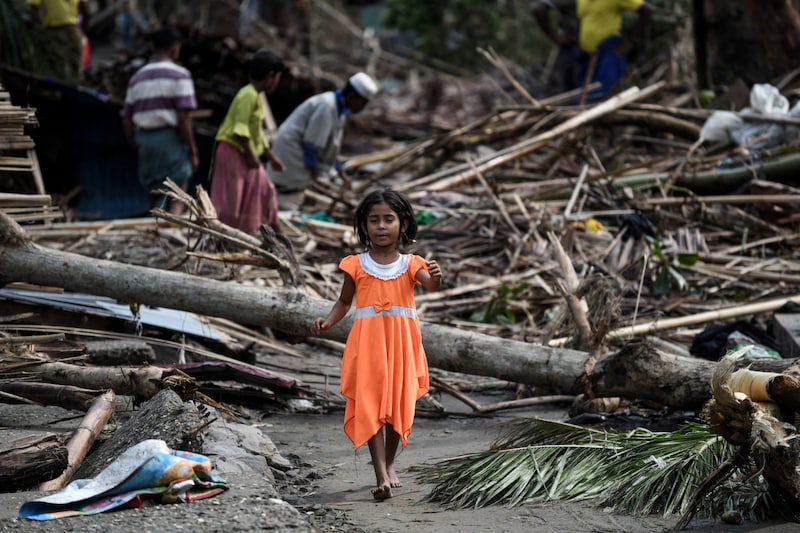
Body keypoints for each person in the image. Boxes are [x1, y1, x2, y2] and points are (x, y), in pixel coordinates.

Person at [311, 189, 442, 501]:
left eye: (389, 219)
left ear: (404, 224)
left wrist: (437, 276)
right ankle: (381, 476)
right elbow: (344, 302)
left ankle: (390, 463)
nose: (381, 226)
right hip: (368, 344)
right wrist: (328, 322)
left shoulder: (412, 263)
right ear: (364, 226)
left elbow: (429, 282)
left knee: (400, 404)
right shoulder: (355, 264)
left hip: (402, 344)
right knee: (370, 403)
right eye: (374, 220)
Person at [268, 72, 378, 204]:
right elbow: (311, 144)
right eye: (363, 103)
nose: (362, 108)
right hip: (292, 151)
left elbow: (332, 148)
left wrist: (342, 174)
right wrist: (315, 176)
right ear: (352, 96)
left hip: (300, 152)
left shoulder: (339, 112)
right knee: (287, 191)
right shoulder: (326, 106)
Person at [122, 26, 199, 215]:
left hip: (145, 141)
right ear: (174, 48)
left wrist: (136, 143)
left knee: (154, 195)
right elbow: (183, 118)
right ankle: (173, 233)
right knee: (178, 193)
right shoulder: (181, 75)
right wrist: (192, 150)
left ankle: (156, 233)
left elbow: (126, 119)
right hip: (169, 140)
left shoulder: (137, 78)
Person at [209, 49, 286, 235]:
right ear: (271, 76)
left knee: (265, 189)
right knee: (231, 201)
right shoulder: (247, 95)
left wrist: (271, 157)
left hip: (245, 152)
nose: (277, 83)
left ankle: (277, 235)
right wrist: (251, 156)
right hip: (233, 150)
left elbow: (256, 132)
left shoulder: (255, 97)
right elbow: (240, 129)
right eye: (277, 78)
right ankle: (223, 237)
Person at [575, 0, 652, 103]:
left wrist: (631, 41)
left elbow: (646, 10)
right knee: (584, 96)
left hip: (609, 50)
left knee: (605, 94)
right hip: (587, 56)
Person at [27, 0, 90, 81]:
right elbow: (86, 11)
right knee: (75, 71)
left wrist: (39, 29)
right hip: (74, 32)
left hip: (53, 33)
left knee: (57, 70)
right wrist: (82, 34)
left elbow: (33, 9)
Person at [533, 0, 580, 95]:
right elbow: (539, 8)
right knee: (571, 88)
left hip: (596, 43)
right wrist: (555, 37)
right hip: (572, 43)